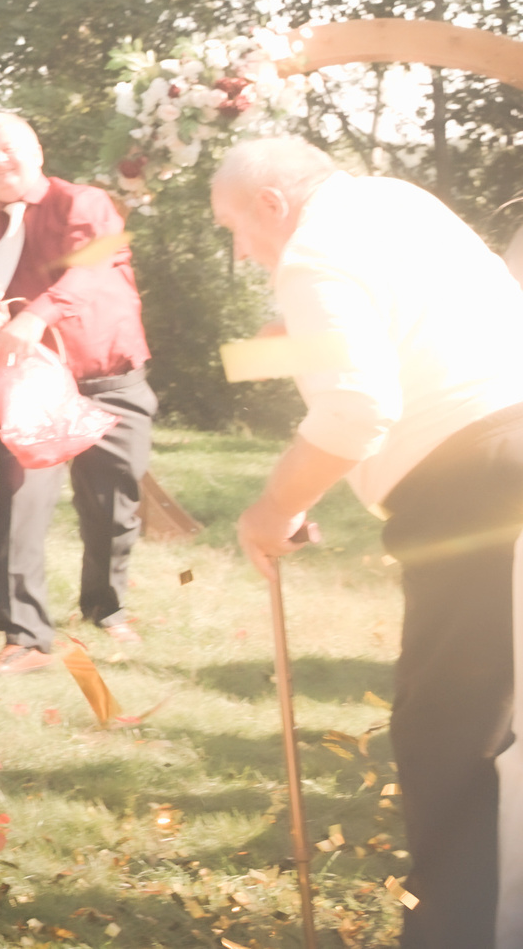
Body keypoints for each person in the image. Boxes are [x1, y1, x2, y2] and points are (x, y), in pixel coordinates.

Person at [219, 138, 523, 947]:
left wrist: (274, 505)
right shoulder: (397, 201)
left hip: (478, 488)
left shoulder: (313, 250)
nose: (242, 251)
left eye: (235, 228)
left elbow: (358, 408)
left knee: (456, 736)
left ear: (272, 203)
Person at [0, 112, 150, 675]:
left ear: (36, 150)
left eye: (9, 149)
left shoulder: (83, 204)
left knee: (115, 505)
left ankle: (105, 607)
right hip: (35, 390)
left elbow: (88, 272)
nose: (0, 161)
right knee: (20, 503)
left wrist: (34, 316)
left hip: (110, 377)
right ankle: (26, 636)